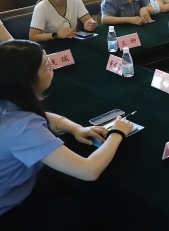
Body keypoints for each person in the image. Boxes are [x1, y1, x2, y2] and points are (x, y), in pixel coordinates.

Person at [0, 40, 134, 221]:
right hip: (10, 209)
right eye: (47, 65)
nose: (52, 67)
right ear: (27, 80)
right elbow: (89, 171)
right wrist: (117, 133)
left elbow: (43, 116)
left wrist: (75, 128)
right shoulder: (22, 128)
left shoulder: (7, 98)